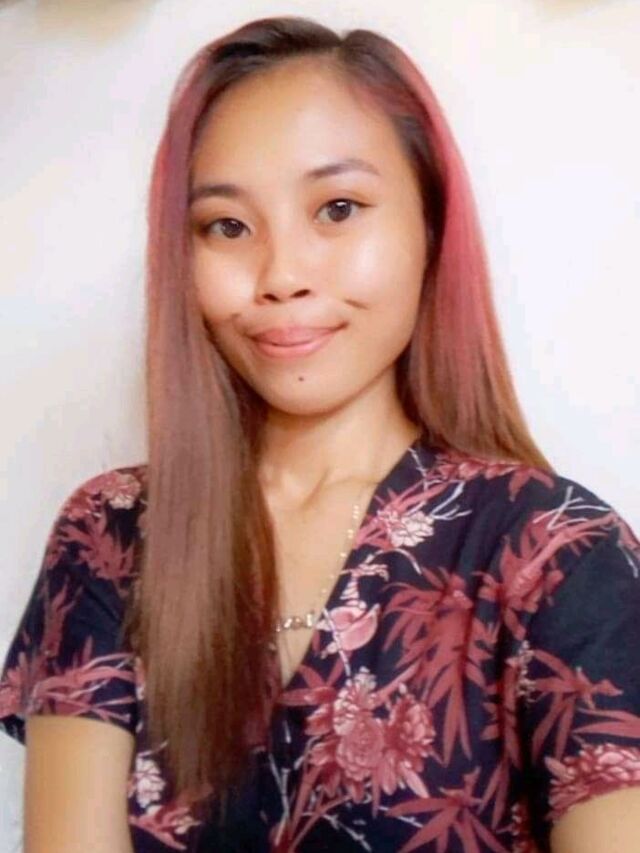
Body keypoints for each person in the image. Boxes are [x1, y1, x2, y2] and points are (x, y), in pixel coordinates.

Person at [1, 14, 639, 853]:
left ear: (430, 226)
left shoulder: (556, 553)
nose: (282, 275)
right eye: (227, 226)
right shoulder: (112, 533)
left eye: (338, 209)